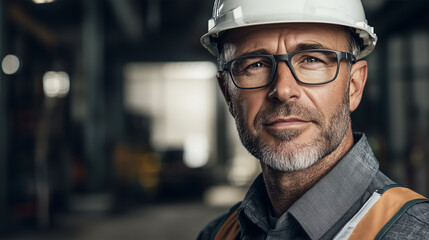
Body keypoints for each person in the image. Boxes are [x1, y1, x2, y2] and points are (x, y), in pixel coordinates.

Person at [197, 0, 429, 239]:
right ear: (227, 93)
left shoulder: (417, 232)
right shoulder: (218, 234)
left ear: (354, 86)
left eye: (311, 60)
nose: (284, 90)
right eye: (255, 64)